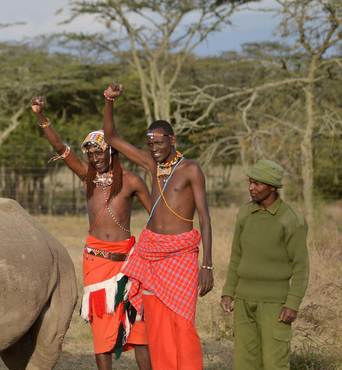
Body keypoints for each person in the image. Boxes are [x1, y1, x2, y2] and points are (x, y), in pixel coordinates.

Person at [31, 97, 152, 370]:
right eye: (91, 154)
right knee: (102, 330)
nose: (95, 159)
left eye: (100, 152)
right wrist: (41, 117)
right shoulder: (87, 176)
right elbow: (60, 148)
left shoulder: (132, 180)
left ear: (112, 152)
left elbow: (156, 216)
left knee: (138, 327)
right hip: (96, 262)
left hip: (129, 263)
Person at [103, 82, 213, 370]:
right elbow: (112, 137)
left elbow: (205, 216)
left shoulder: (191, 169)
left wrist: (208, 265)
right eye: (150, 144)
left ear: (172, 140)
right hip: (152, 252)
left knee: (183, 323)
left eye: (159, 144)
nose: (154, 149)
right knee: (157, 324)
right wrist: (109, 100)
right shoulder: (151, 165)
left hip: (182, 254)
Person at [221, 160, 309, 370]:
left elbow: (301, 266)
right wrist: (228, 292)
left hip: (275, 305)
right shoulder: (244, 214)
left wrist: (292, 304)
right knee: (244, 364)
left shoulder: (291, 219)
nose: (251, 188)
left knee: (274, 364)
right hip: (243, 302)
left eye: (257, 184)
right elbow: (236, 256)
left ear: (273, 187)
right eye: (250, 182)